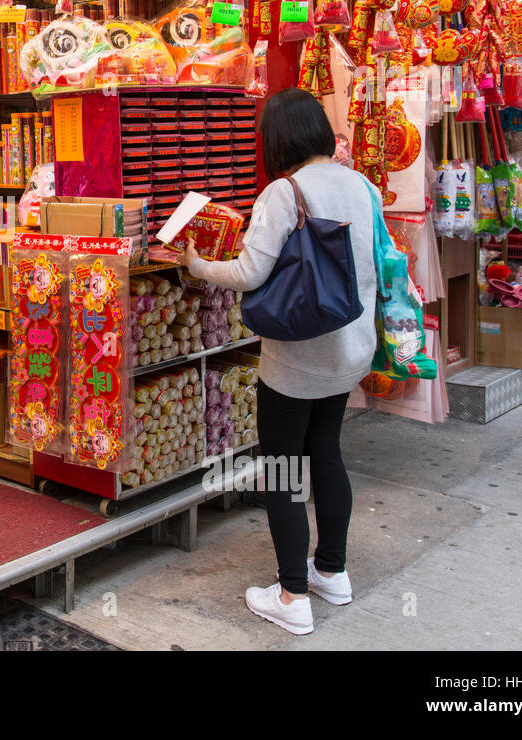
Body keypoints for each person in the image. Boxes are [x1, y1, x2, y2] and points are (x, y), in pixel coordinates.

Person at [180, 88, 379, 636]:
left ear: (275, 140)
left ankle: (292, 593)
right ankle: (331, 571)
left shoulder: (283, 192)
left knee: (285, 471)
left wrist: (198, 265)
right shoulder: (361, 184)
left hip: (297, 360)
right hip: (349, 349)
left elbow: (248, 274)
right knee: (328, 453)